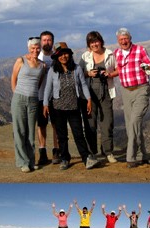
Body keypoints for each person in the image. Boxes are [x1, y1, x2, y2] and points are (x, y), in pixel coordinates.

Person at [43, 42, 99, 170]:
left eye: (65, 54)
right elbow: (48, 88)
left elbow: (83, 84)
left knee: (78, 133)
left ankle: (86, 159)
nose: (63, 57)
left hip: (74, 106)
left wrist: (89, 99)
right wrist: (45, 104)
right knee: (62, 136)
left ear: (69, 54)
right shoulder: (53, 70)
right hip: (57, 107)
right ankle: (64, 159)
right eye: (60, 55)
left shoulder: (76, 68)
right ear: (57, 57)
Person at [114, 28, 150, 168]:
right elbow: (119, 70)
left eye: (125, 38)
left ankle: (131, 157)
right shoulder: (117, 53)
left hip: (141, 89)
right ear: (118, 41)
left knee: (134, 121)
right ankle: (144, 155)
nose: (124, 41)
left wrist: (147, 68)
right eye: (121, 40)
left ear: (130, 38)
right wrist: (108, 75)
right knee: (130, 124)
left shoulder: (140, 50)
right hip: (126, 91)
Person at [79, 31, 118, 163]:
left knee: (107, 123)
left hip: (106, 92)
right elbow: (78, 74)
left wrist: (110, 74)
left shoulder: (110, 54)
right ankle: (92, 152)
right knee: (90, 123)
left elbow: (119, 69)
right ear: (88, 45)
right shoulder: (85, 56)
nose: (95, 44)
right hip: (89, 94)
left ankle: (108, 152)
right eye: (91, 42)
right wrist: (88, 73)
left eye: (96, 41)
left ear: (101, 41)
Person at [11, 37, 46, 172]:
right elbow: (13, 79)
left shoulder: (43, 65)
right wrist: (16, 94)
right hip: (19, 98)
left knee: (31, 131)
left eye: (38, 48)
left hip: (33, 100)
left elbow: (39, 83)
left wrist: (32, 95)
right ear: (28, 48)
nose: (35, 50)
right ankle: (22, 162)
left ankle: (31, 161)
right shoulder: (21, 61)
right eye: (33, 48)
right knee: (20, 130)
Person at [37, 31, 60, 165]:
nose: (47, 42)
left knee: (56, 125)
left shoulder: (57, 57)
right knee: (41, 125)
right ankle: (42, 152)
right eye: (44, 40)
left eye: (49, 40)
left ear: (53, 41)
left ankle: (56, 151)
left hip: (55, 96)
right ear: (41, 42)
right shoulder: (37, 56)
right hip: (40, 96)